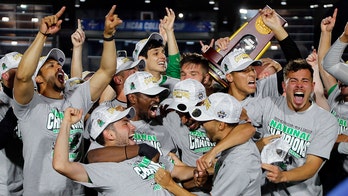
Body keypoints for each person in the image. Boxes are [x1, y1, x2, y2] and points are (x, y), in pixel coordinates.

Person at [12, 5, 122, 195]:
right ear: (37, 78)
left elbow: (107, 71)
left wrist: (109, 37)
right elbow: (22, 77)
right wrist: (42, 35)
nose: (59, 68)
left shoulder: (77, 98)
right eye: (51, 65)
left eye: (60, 65)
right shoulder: (30, 105)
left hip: (75, 192)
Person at [245, 59, 338, 195]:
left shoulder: (326, 121)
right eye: (293, 81)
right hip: (264, 190)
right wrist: (255, 147)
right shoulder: (269, 104)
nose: (299, 85)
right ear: (284, 86)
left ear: (312, 86)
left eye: (305, 81)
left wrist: (283, 176)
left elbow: (312, 166)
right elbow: (236, 118)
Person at [155, 93, 262, 195]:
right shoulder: (233, 145)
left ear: (221, 125)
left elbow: (248, 128)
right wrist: (205, 182)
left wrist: (170, 185)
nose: (202, 124)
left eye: (205, 120)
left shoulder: (237, 163)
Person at [53, 106, 174, 195]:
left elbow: (178, 171)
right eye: (125, 124)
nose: (133, 127)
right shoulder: (101, 170)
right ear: (110, 135)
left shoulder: (139, 152)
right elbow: (61, 165)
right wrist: (66, 123)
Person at [320, 8, 348, 193]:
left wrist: (333, 141)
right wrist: (327, 33)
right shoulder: (336, 95)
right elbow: (326, 65)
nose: (342, 80)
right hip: (335, 171)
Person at [132, 8, 180, 91]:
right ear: (142, 59)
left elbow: (175, 63)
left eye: (163, 52)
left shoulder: (174, 83)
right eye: (156, 53)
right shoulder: (132, 85)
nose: (163, 56)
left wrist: (169, 31)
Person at [0, 52, 24, 196]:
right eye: (18, 71)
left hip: (29, 180)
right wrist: (15, 110)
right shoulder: (2, 102)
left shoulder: (31, 99)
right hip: (5, 185)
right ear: (5, 76)